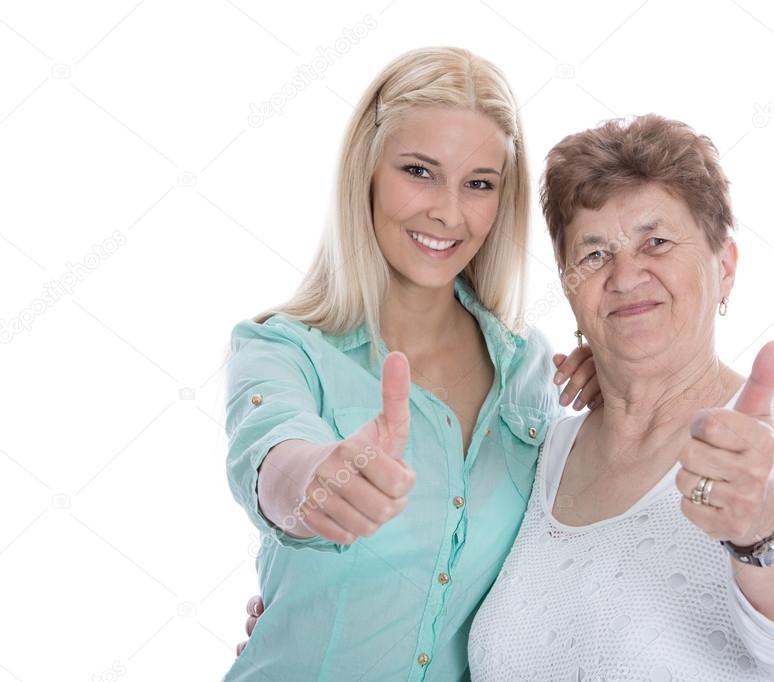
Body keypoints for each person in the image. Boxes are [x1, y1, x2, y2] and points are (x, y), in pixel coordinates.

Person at [466, 114, 774, 680]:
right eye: (594, 255)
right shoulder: (541, 455)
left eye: (657, 242)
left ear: (725, 266)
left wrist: (768, 524)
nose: (625, 275)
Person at [222, 46, 600, 681]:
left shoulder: (532, 367)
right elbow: (273, 459)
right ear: (365, 171)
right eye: (420, 171)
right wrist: (317, 485)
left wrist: (617, 389)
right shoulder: (282, 349)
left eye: (479, 183)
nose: (449, 212)